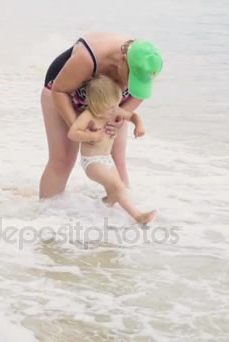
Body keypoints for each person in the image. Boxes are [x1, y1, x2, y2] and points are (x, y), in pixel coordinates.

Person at [39, 32, 163, 199]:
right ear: (123, 60)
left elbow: (140, 94)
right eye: (130, 78)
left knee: (117, 161)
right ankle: (47, 215)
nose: (127, 85)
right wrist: (79, 128)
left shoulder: (147, 63)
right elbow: (59, 91)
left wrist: (120, 119)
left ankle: (123, 218)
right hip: (64, 93)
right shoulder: (88, 57)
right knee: (62, 160)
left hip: (109, 102)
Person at [67, 75, 156, 224]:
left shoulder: (114, 110)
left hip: (107, 160)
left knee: (114, 194)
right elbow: (72, 133)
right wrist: (91, 136)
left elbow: (132, 115)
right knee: (119, 186)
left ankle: (98, 210)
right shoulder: (88, 115)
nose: (115, 110)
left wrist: (138, 125)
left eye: (116, 105)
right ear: (96, 106)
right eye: (110, 108)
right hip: (92, 162)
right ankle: (138, 216)